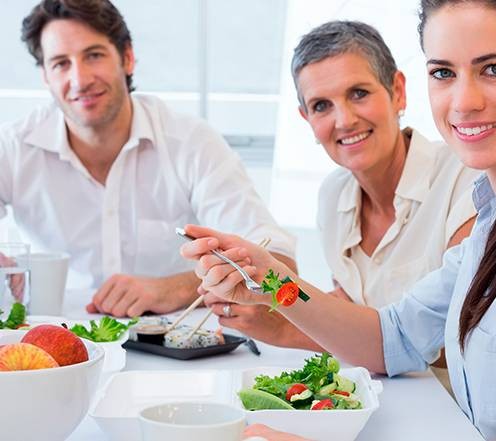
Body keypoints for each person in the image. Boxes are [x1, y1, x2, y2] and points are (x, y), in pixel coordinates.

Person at [183, 0, 496, 440]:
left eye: (494, 68)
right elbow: (389, 339)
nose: (463, 102)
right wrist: (271, 282)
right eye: (443, 73)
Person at [202, 21, 477, 366]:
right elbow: (348, 308)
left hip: (452, 410)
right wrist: (262, 300)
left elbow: (450, 340)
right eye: (321, 106)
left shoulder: (464, 177)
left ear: (397, 92)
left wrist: (283, 324)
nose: (344, 120)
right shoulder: (334, 196)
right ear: (306, 119)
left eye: (358, 94)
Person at [0, 0, 296, 317]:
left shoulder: (190, 142)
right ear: (45, 76)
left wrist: (173, 287)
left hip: (178, 346)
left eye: (94, 55)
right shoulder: (14, 146)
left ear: (127, 58)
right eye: (60, 63)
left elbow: (282, 267)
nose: (80, 79)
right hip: (54, 347)